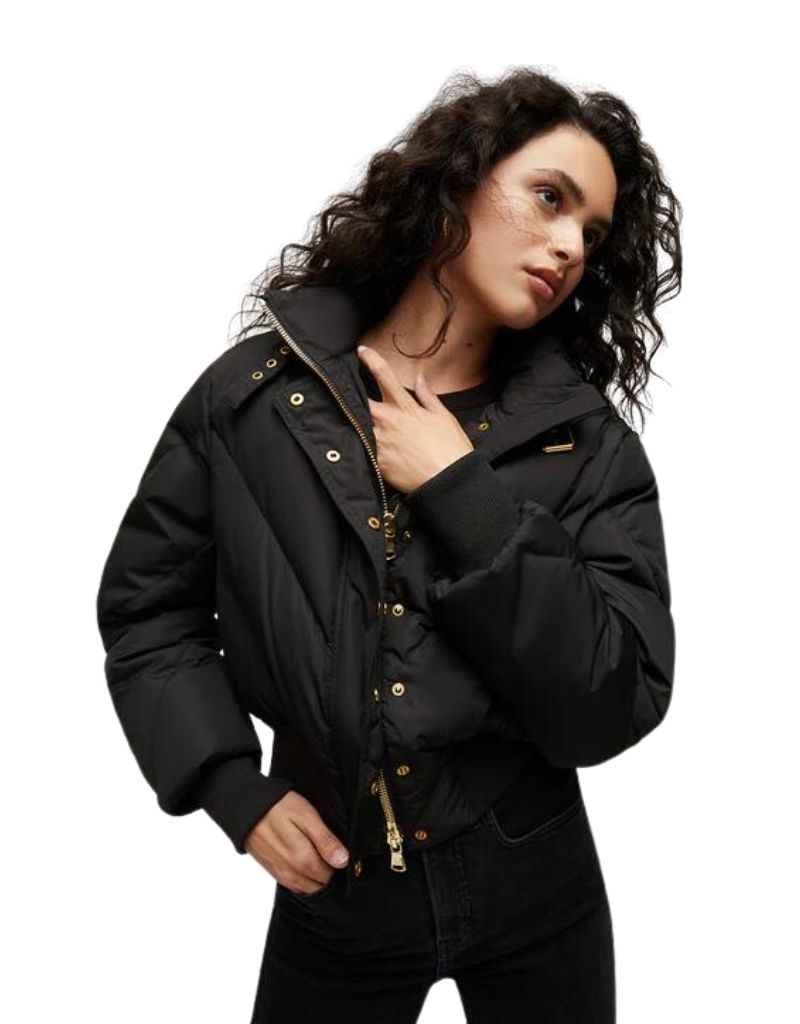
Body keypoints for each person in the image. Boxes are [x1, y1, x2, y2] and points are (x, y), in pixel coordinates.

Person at [95, 66, 680, 1023]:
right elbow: (147, 610)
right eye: (550, 198)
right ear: (460, 179)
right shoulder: (254, 397)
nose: (571, 245)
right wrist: (231, 785)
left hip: (534, 873)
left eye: (594, 232)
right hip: (336, 885)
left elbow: (614, 701)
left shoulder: (589, 445)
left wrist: (465, 494)